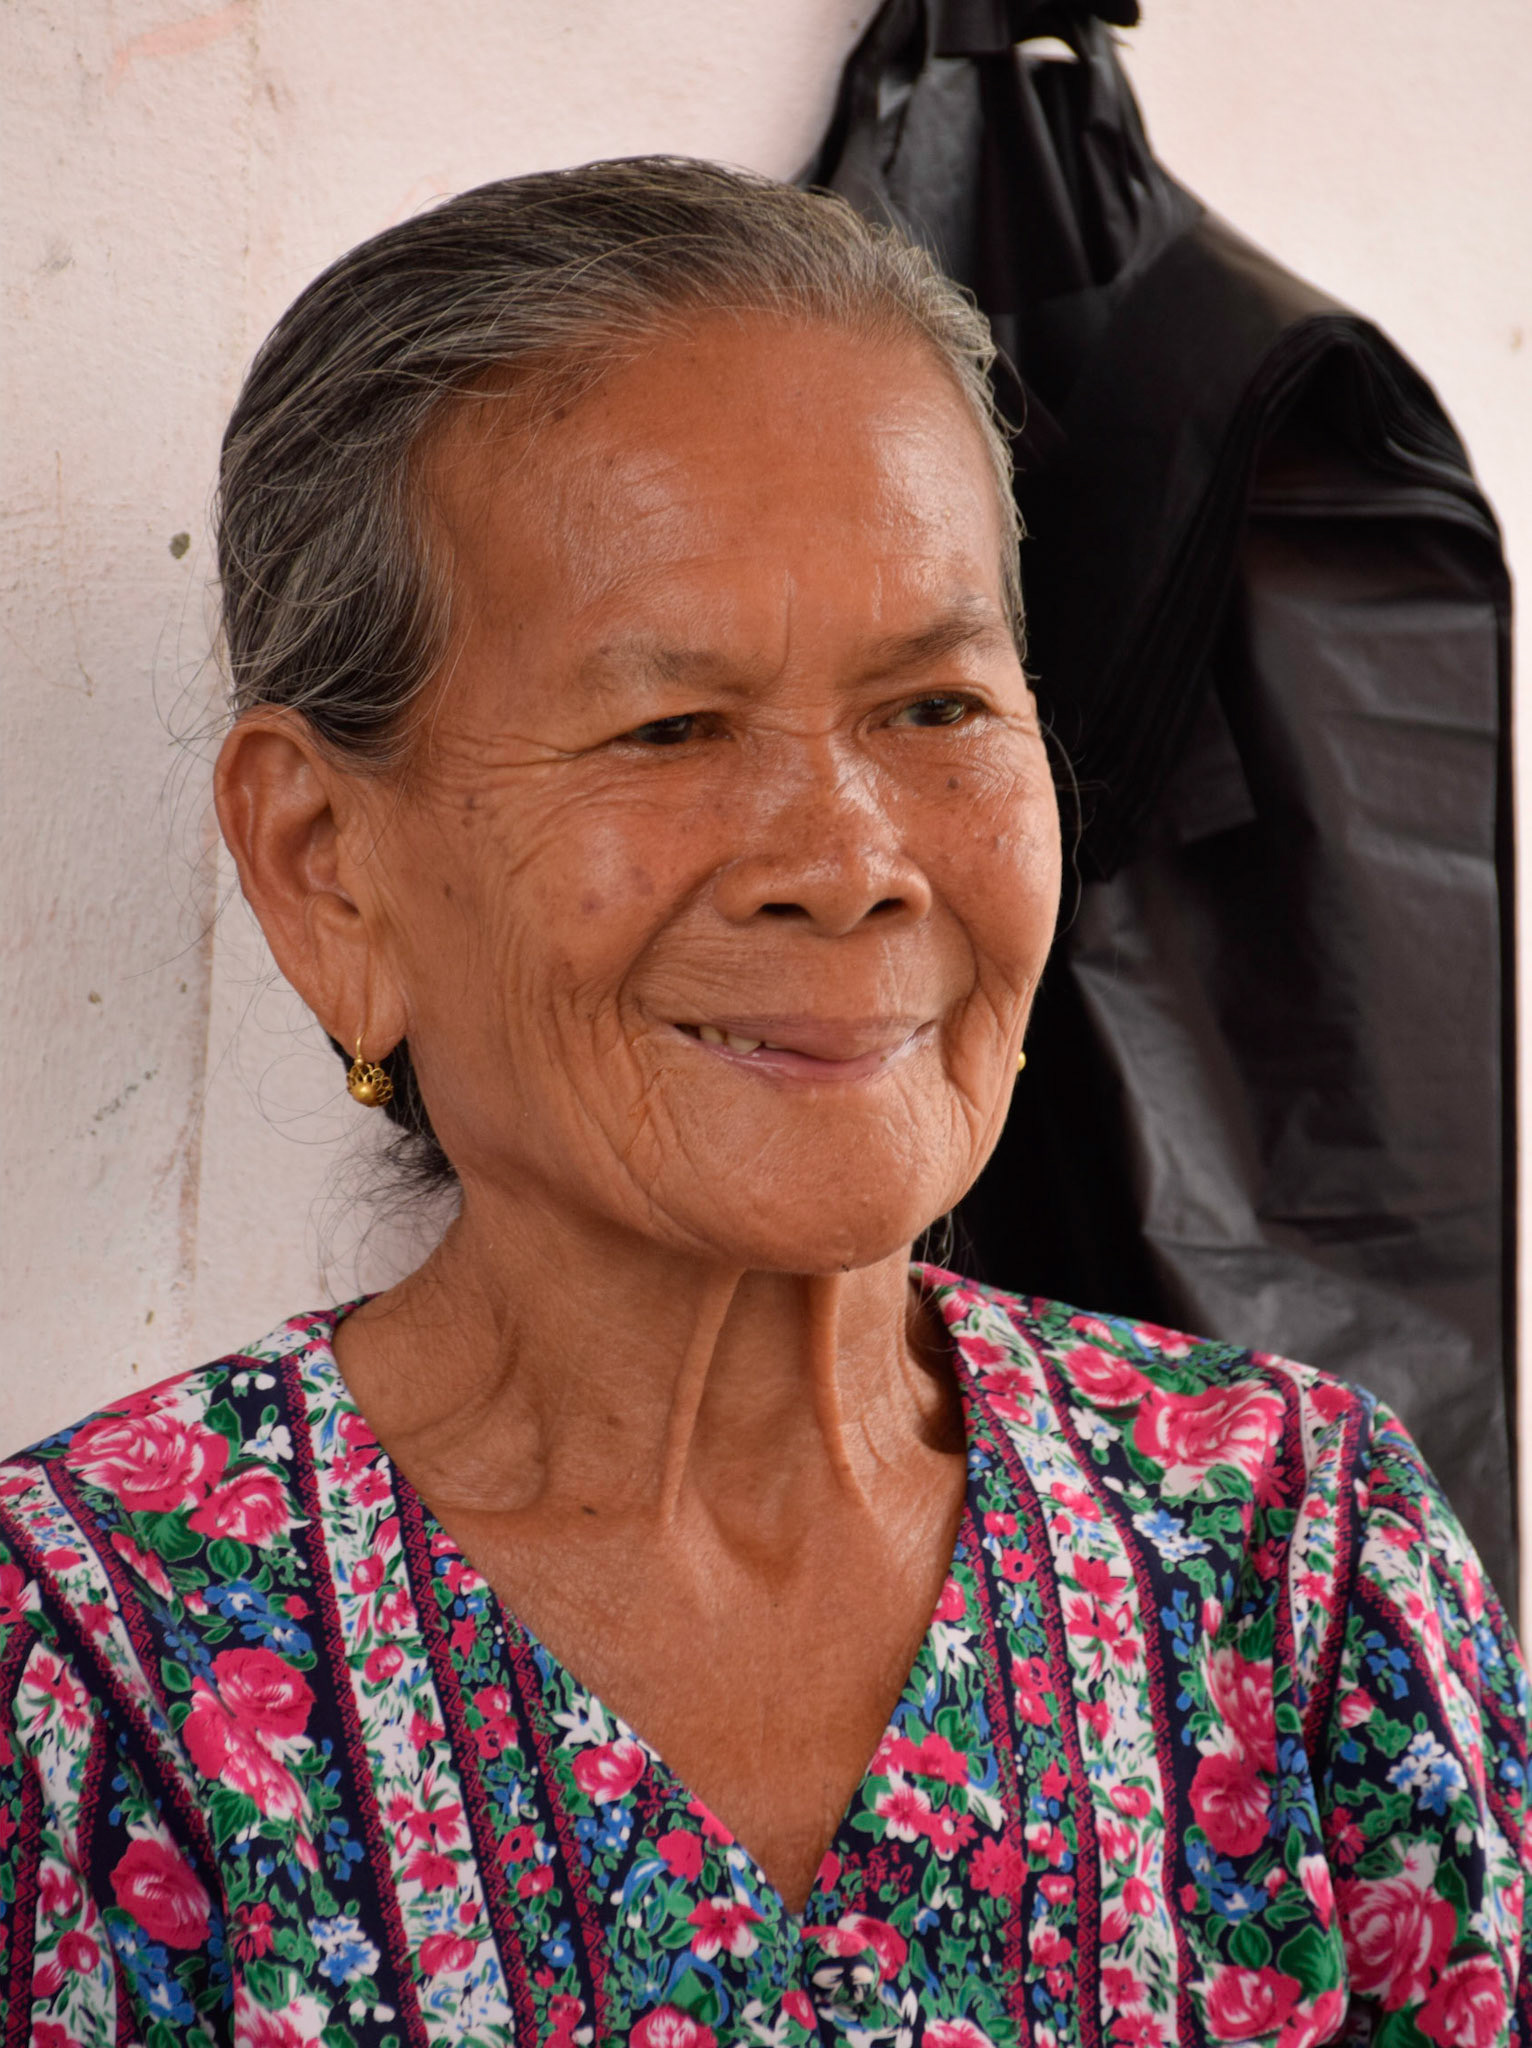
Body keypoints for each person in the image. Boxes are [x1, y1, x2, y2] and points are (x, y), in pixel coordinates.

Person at [0, 159, 1524, 2048]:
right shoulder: (90, 1677)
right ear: (329, 870)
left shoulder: (1294, 1557)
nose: (853, 861)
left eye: (937, 707)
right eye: (671, 728)